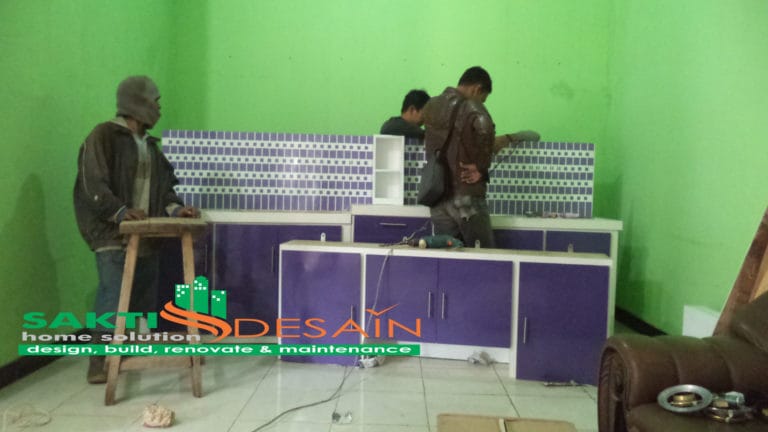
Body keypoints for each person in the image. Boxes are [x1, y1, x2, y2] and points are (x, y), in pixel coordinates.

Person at [73, 75, 199, 384]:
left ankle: (125, 352)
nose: (159, 109)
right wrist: (119, 212)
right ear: (137, 103)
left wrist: (177, 209)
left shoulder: (151, 148)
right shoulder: (103, 136)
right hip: (111, 233)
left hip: (144, 235)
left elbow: (165, 191)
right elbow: (92, 185)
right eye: (156, 102)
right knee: (114, 294)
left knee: (140, 297)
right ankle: (100, 360)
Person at [423, 66, 539, 248]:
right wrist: (481, 168)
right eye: (483, 98)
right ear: (476, 89)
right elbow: (485, 129)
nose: (481, 102)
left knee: (447, 255)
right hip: (465, 198)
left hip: (437, 199)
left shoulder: (432, 105)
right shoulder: (471, 106)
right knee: (483, 256)